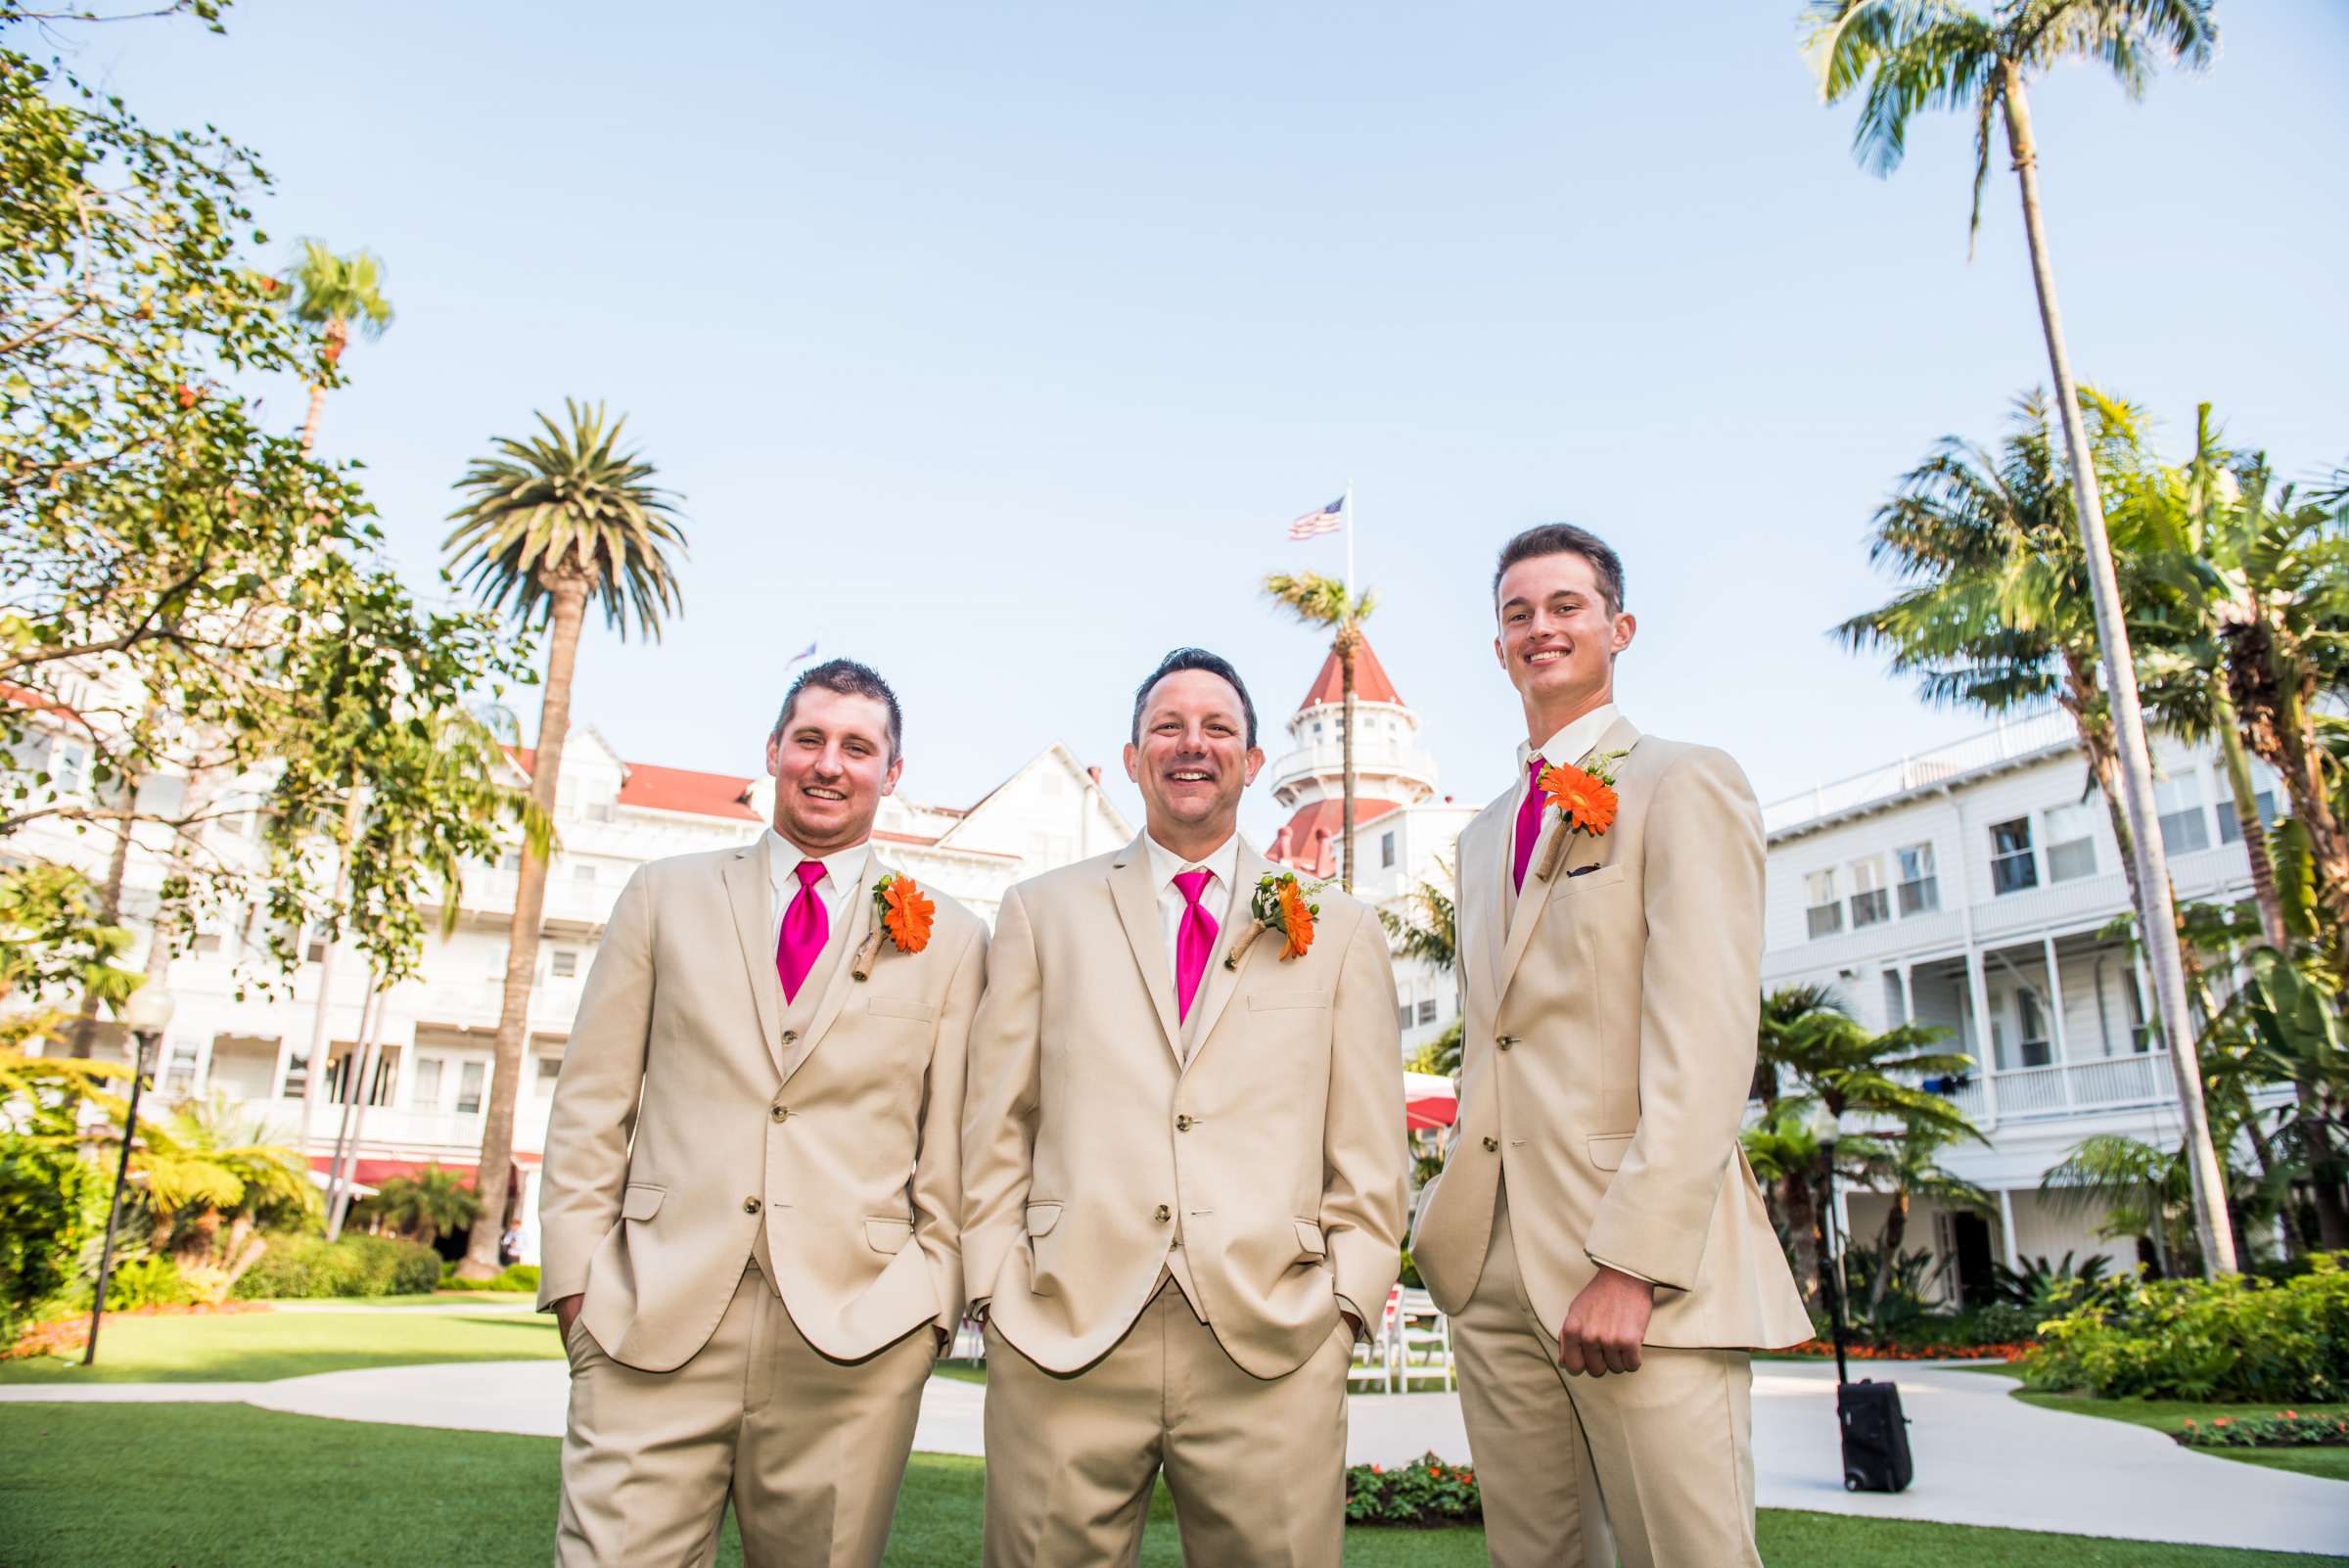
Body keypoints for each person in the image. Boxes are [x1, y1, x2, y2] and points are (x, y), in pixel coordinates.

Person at [1408, 526, 1812, 1568]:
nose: (1539, 628)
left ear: (1618, 628)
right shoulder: (1484, 832)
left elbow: (1706, 1039)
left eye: (1565, 606)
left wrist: (1633, 1263)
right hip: (1491, 1271)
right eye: (1516, 614)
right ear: (1498, 648)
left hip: (1635, 1273)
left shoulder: (1685, 782)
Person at [962, 647, 1407, 1568]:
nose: (1191, 745)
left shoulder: (1340, 929)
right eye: (1167, 727)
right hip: (1064, 1331)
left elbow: (1368, 1146)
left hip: (1272, 1342)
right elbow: (995, 1121)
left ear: (1249, 761)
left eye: (1217, 729)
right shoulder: (1041, 913)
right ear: (1132, 758)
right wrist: (993, 1288)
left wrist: (1344, 1306)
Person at [536, 658, 988, 1568]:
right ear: (774, 750)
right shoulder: (663, 898)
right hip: (648, 1317)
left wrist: (926, 1307)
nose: (830, 764)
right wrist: (578, 1286)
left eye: (858, 747)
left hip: (853, 1339)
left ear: (891, 775)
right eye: (811, 739)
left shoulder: (951, 937)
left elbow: (952, 1148)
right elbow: (592, 1101)